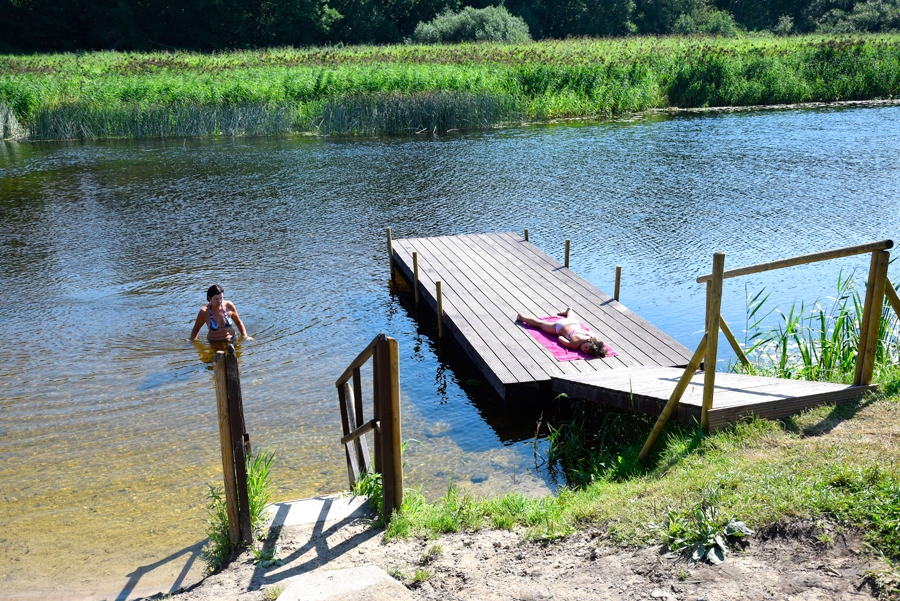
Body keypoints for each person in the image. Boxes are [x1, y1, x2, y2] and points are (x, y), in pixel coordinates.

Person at [516, 307, 607, 357]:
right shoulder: (575, 344)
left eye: (586, 352)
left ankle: (569, 310)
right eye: (586, 348)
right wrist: (561, 335)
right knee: (540, 324)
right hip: (560, 326)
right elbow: (560, 339)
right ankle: (522, 318)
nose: (584, 350)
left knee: (571, 317)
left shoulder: (592, 337)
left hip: (574, 324)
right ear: (589, 343)